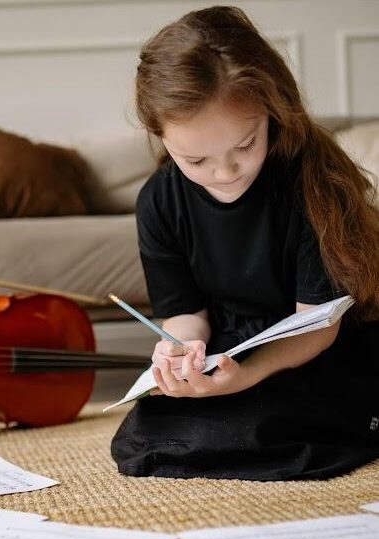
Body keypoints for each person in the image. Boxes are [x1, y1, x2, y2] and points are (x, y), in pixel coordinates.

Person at [111, 5, 379, 480]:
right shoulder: (159, 200)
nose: (225, 172)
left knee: (276, 425)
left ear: (273, 110)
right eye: (196, 160)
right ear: (160, 135)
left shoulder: (313, 182)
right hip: (231, 345)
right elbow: (187, 314)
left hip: (313, 345)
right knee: (147, 433)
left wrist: (251, 374)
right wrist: (180, 350)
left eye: (244, 145)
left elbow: (316, 325)